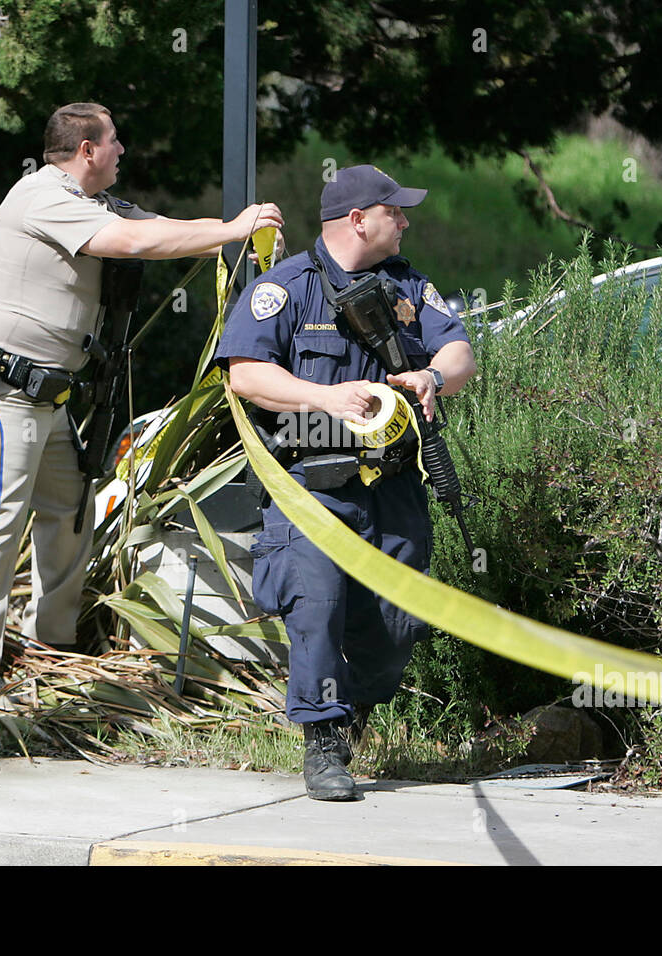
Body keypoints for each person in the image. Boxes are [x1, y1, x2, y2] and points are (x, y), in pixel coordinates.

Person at [0, 102, 282, 694]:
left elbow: (155, 229)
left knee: (70, 514)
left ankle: (49, 640)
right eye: (114, 141)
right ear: (86, 151)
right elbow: (130, 241)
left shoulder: (92, 204)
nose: (122, 150)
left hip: (47, 400)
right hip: (5, 392)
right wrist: (234, 229)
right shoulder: (41, 196)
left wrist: (235, 235)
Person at [216, 165, 476, 800]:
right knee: (319, 609)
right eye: (396, 211)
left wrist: (432, 379)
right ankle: (323, 743)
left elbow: (460, 349)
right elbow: (245, 375)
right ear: (359, 219)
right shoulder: (288, 289)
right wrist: (324, 398)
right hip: (313, 485)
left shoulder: (409, 284)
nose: (406, 221)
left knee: (396, 625)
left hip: (393, 488)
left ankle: (352, 713)